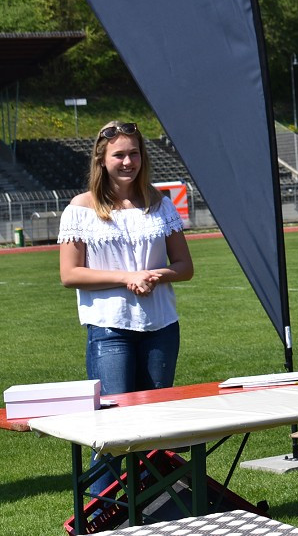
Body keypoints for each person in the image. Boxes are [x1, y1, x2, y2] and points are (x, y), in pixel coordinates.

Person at [57, 120, 194, 498]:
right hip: (109, 328)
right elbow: (70, 274)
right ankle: (97, 514)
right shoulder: (80, 209)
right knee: (112, 431)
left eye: (134, 153)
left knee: (151, 429)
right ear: (101, 159)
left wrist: (155, 275)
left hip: (162, 327)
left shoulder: (159, 204)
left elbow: (185, 267)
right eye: (119, 154)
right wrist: (126, 277)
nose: (128, 161)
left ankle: (146, 509)